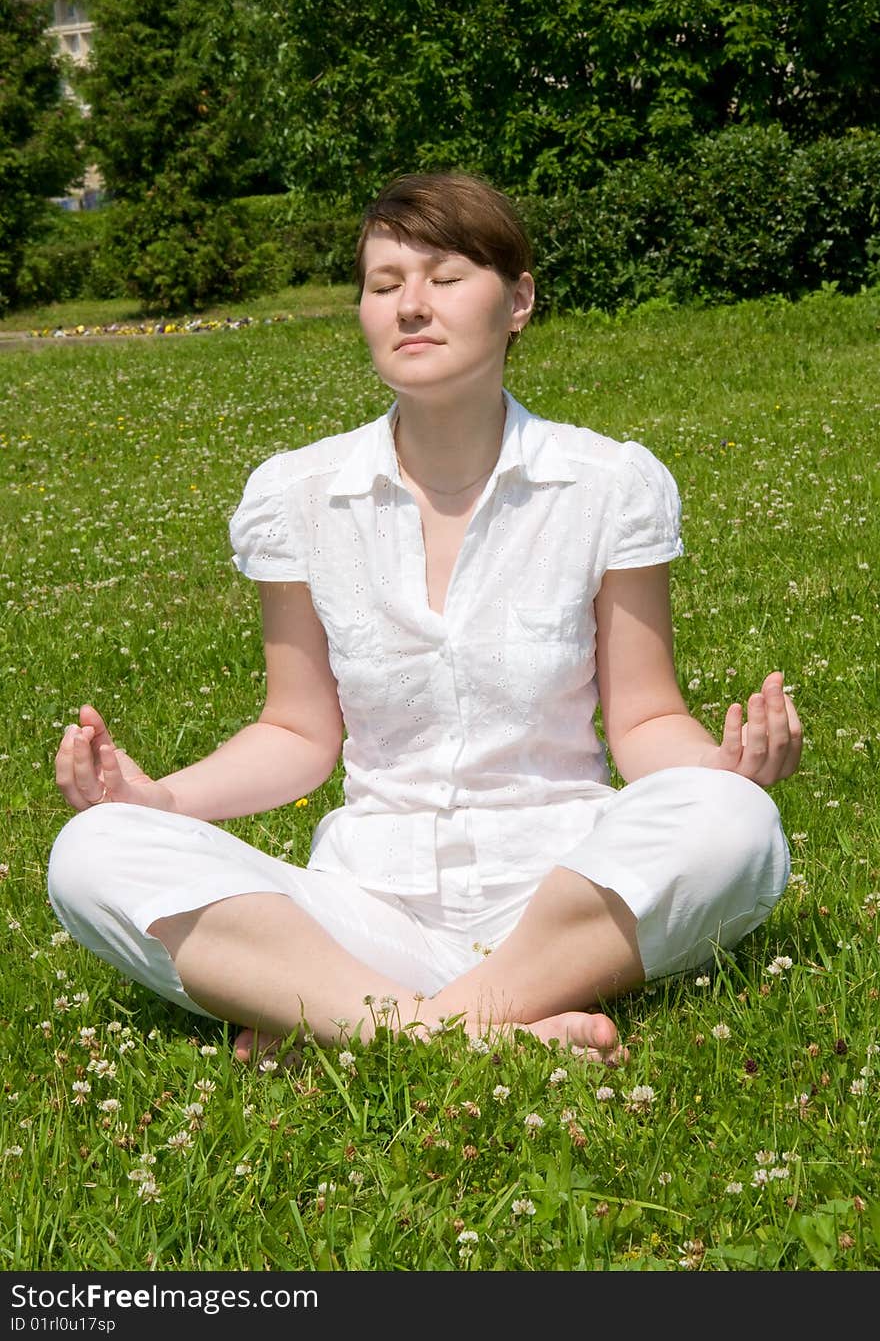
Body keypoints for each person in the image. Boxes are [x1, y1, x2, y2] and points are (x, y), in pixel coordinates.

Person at [48, 171, 802, 1067]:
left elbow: (641, 719)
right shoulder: (296, 495)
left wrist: (721, 771)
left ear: (517, 301)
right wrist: (159, 801)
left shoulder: (608, 484)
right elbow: (296, 730)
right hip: (367, 910)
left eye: (445, 279)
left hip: (568, 900)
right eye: (383, 284)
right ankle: (472, 1035)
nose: (411, 305)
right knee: (92, 853)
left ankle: (356, 1031)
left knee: (736, 826)